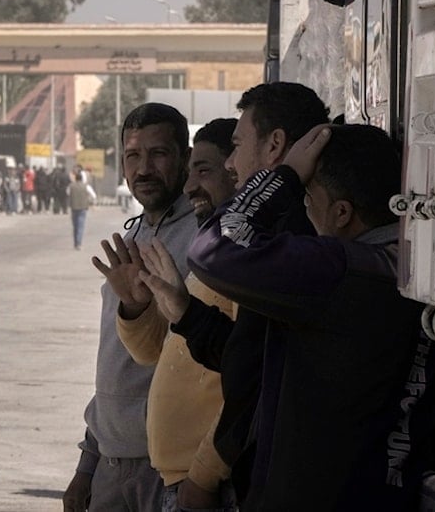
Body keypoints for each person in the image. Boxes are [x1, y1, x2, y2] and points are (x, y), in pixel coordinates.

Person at [142, 124, 435, 510]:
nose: (304, 209)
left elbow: (215, 248)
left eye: (308, 197)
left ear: (341, 213)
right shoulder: (411, 270)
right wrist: (188, 315)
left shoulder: (342, 272)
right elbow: (255, 359)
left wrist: (285, 177)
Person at [139, 83, 330, 507]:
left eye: (238, 145)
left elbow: (214, 249)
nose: (230, 163)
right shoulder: (286, 230)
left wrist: (205, 474)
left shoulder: (288, 236)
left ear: (275, 145)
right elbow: (246, 352)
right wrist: (185, 313)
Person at [63, 102, 197, 512]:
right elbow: (114, 363)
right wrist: (88, 462)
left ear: (184, 159)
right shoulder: (131, 239)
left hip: (172, 467)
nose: (143, 169)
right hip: (111, 462)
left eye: (158, 154)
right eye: (133, 156)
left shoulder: (204, 240)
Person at [114, 117, 239, 512]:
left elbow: (250, 376)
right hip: (175, 474)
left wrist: (204, 473)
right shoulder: (207, 240)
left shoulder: (245, 256)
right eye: (132, 155)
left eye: (203, 170)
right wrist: (135, 307)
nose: (189, 187)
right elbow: (157, 351)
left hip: (208, 481)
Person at [68, 171, 96, 250]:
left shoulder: (71, 186)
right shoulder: (86, 186)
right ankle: (79, 244)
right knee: (80, 226)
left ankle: (76, 243)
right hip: (83, 208)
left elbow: (67, 193)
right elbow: (94, 195)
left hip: (74, 207)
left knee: (75, 226)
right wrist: (90, 202)